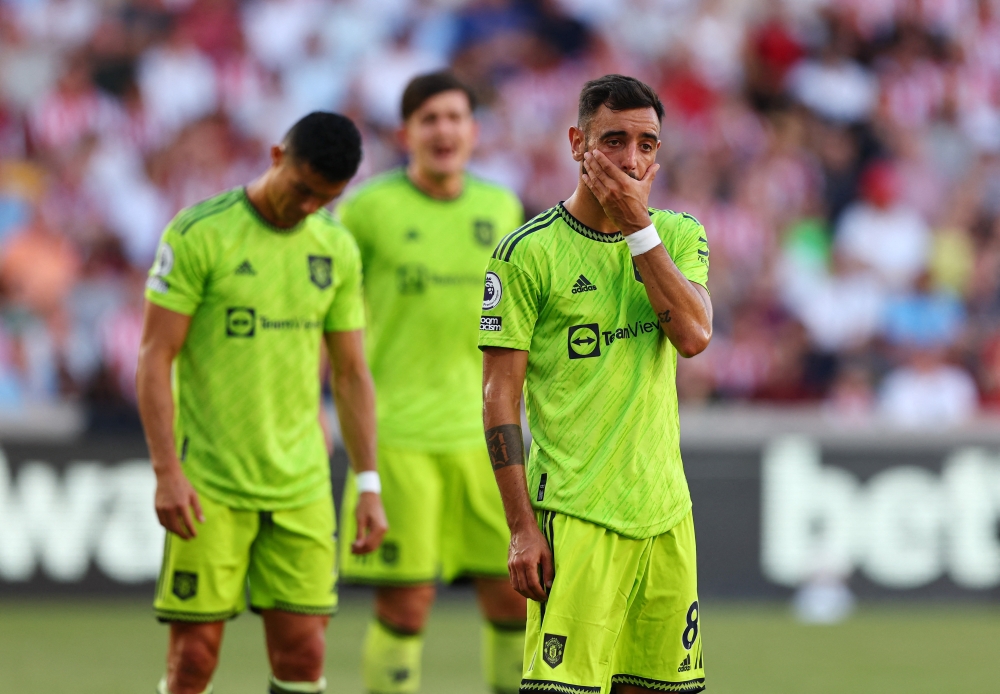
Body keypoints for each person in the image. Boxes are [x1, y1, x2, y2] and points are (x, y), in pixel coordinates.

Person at [136, 111, 388, 694]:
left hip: (300, 483)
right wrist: (166, 472)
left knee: (304, 657)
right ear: (277, 156)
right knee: (193, 660)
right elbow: (154, 356)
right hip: (210, 484)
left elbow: (351, 375)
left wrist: (368, 483)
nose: (307, 208)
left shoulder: (336, 248)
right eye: (302, 189)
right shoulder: (199, 233)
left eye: (324, 200)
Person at [479, 75, 713, 694]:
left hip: (665, 514)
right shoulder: (526, 253)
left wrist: (639, 228)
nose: (631, 160)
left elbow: (693, 336)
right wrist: (521, 526)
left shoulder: (681, 235)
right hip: (576, 515)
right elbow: (498, 396)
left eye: (646, 144)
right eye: (614, 141)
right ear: (577, 143)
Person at [335, 71, 527, 694]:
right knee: (406, 604)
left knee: (516, 598)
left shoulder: (500, 207)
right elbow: (329, 315)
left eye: (454, 118)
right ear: (405, 132)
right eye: (429, 119)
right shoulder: (366, 210)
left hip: (487, 438)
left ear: (473, 132)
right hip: (401, 436)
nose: (443, 130)